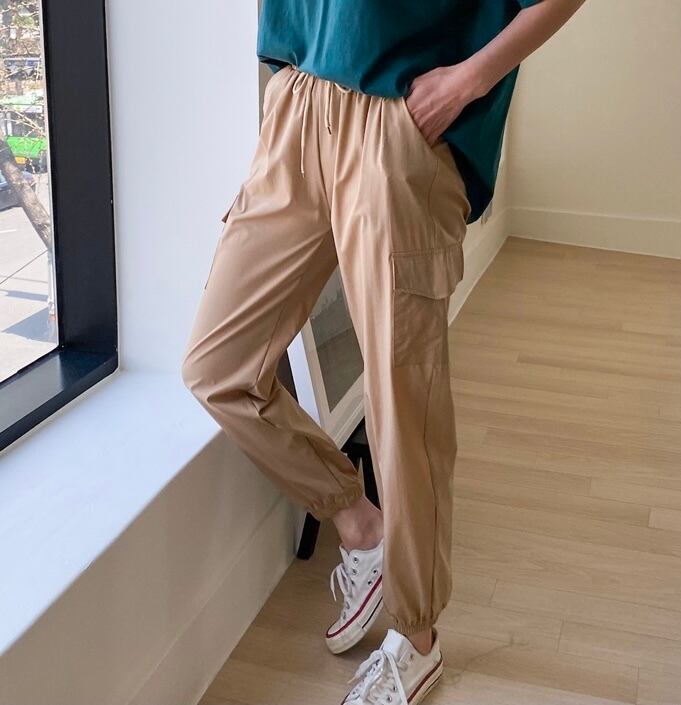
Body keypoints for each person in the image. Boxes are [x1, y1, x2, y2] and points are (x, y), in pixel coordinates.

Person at [181, 0, 585, 702]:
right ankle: (360, 525)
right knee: (218, 366)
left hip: (397, 119)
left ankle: (417, 638)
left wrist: (468, 79)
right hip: (299, 101)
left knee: (404, 404)